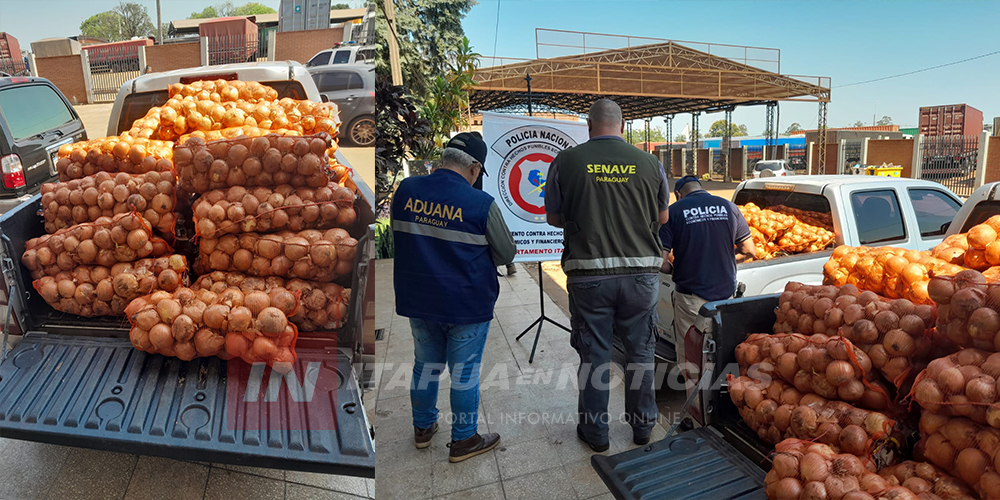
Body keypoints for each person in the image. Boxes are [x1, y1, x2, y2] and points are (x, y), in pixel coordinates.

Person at [545, 99, 670, 452]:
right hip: (641, 277)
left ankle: (596, 435)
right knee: (641, 352)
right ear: (623, 125)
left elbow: (553, 218)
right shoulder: (651, 163)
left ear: (589, 125)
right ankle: (643, 429)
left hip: (588, 276)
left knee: (594, 355)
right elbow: (662, 218)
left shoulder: (565, 161)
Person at [392, 132, 517, 463]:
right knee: (464, 373)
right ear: (475, 168)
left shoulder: (406, 191)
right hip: (466, 304)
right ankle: (464, 440)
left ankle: (423, 429)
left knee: (425, 365)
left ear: (443, 159)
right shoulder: (480, 204)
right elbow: (505, 253)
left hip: (419, 299)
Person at [659, 175, 756, 366]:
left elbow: (660, 262)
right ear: (701, 187)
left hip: (691, 299)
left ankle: (696, 397)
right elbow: (749, 250)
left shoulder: (674, 211)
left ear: (678, 194)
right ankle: (721, 392)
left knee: (693, 357)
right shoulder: (729, 207)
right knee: (722, 350)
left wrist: (675, 270)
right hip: (725, 297)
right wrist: (724, 261)